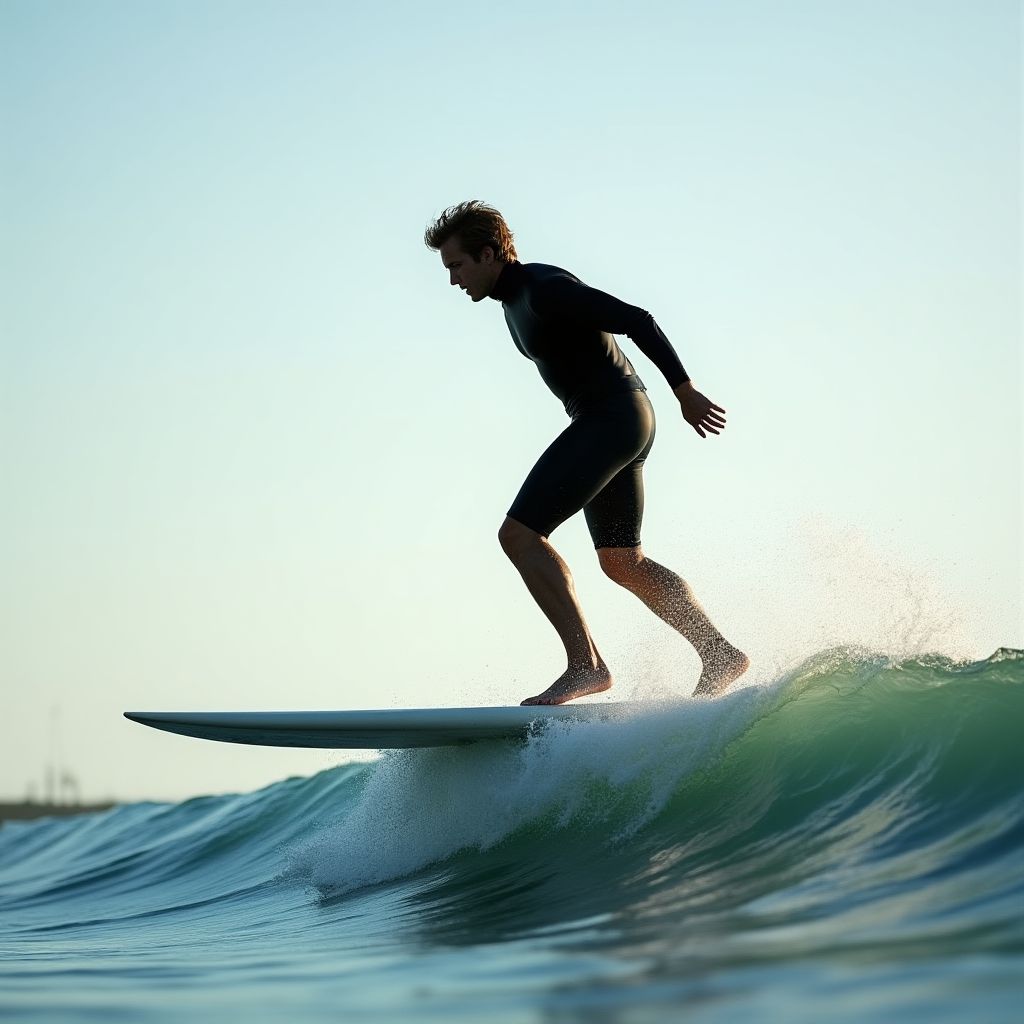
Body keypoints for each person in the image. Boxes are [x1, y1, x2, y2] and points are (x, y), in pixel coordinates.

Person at [424, 201, 748, 706]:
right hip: (616, 420)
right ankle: (719, 653)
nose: (453, 280)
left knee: (519, 535)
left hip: (612, 417)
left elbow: (636, 319)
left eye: (457, 265)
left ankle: (586, 666)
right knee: (622, 561)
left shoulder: (544, 288)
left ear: (488, 254)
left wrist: (684, 390)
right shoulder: (513, 300)